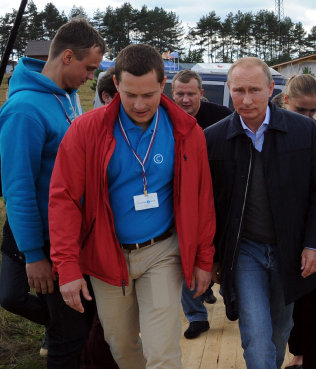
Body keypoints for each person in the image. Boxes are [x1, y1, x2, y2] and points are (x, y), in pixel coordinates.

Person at [48, 44, 216, 369]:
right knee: (122, 347)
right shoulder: (86, 130)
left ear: (163, 83)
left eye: (149, 95)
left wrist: (204, 258)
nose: (140, 105)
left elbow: (202, 199)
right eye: (130, 95)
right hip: (107, 255)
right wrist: (67, 266)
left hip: (162, 251)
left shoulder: (186, 132)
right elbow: (64, 199)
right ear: (116, 86)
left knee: (163, 351)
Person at [204, 57, 316, 369]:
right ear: (229, 90)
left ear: (270, 89)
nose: (246, 100)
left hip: (289, 250)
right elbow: (209, 205)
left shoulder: (303, 131)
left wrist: (314, 244)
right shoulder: (213, 139)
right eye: (238, 91)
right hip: (244, 251)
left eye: (254, 90)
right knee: (256, 333)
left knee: (279, 330)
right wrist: (213, 257)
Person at [0, 19, 105, 368]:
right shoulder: (24, 111)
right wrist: (34, 254)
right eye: (89, 68)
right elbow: (18, 189)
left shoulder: (70, 97)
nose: (91, 77)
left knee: (75, 328)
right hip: (46, 241)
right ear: (67, 57)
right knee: (67, 340)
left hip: (72, 235)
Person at [171, 69, 231, 339]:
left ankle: (231, 298)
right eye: (180, 94)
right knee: (186, 255)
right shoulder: (164, 120)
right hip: (186, 202)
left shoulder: (222, 116)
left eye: (190, 94)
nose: (185, 99)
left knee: (226, 255)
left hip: (220, 197)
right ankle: (196, 316)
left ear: (201, 94)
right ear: (172, 95)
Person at [282, 74, 316, 369]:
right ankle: (298, 350)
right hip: (287, 222)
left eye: (313, 110)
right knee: (291, 294)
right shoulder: (274, 126)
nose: (308, 117)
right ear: (286, 100)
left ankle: (315, 360)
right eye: (301, 110)